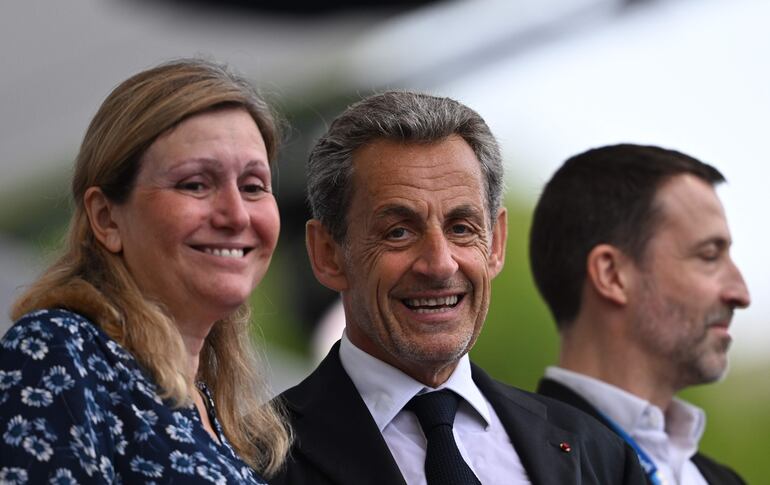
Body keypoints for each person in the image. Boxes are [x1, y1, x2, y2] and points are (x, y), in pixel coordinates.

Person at [271, 91, 646, 484]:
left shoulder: (600, 457)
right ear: (328, 254)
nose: (440, 264)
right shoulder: (255, 459)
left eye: (462, 229)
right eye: (398, 231)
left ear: (496, 243)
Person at [0, 59, 291, 483]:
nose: (236, 215)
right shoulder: (59, 351)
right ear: (106, 218)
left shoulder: (212, 407)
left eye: (252, 187)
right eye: (195, 184)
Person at [530, 144, 751, 485]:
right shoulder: (511, 462)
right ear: (612, 275)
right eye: (709, 256)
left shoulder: (721, 478)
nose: (741, 294)